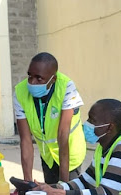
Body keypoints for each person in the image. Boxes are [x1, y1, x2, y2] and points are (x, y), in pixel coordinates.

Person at [34, 99, 121, 195]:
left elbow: (106, 194)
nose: (86, 124)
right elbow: (85, 182)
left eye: (92, 120)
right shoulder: (102, 147)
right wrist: (52, 188)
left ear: (109, 128)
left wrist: (60, 194)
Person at [14, 52, 86, 184]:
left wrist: (64, 187)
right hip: (48, 156)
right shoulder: (20, 91)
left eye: (39, 78)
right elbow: (25, 140)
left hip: (69, 155)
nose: (32, 82)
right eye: (30, 76)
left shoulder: (66, 87)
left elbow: (63, 135)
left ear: (53, 79)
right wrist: (28, 182)